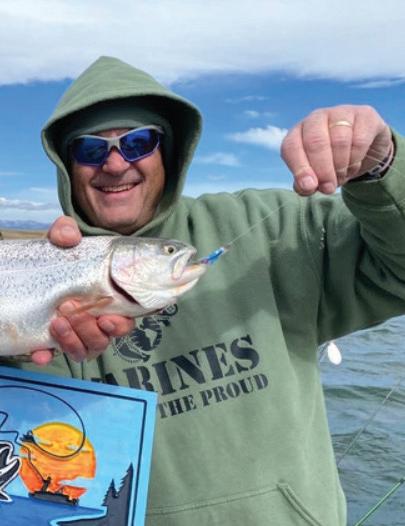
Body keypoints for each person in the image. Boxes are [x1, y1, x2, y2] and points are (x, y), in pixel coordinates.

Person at [7, 55, 405, 525]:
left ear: (169, 151)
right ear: (66, 165)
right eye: (91, 150)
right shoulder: (45, 257)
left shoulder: (274, 228)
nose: (115, 163)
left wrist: (383, 169)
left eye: (138, 143)